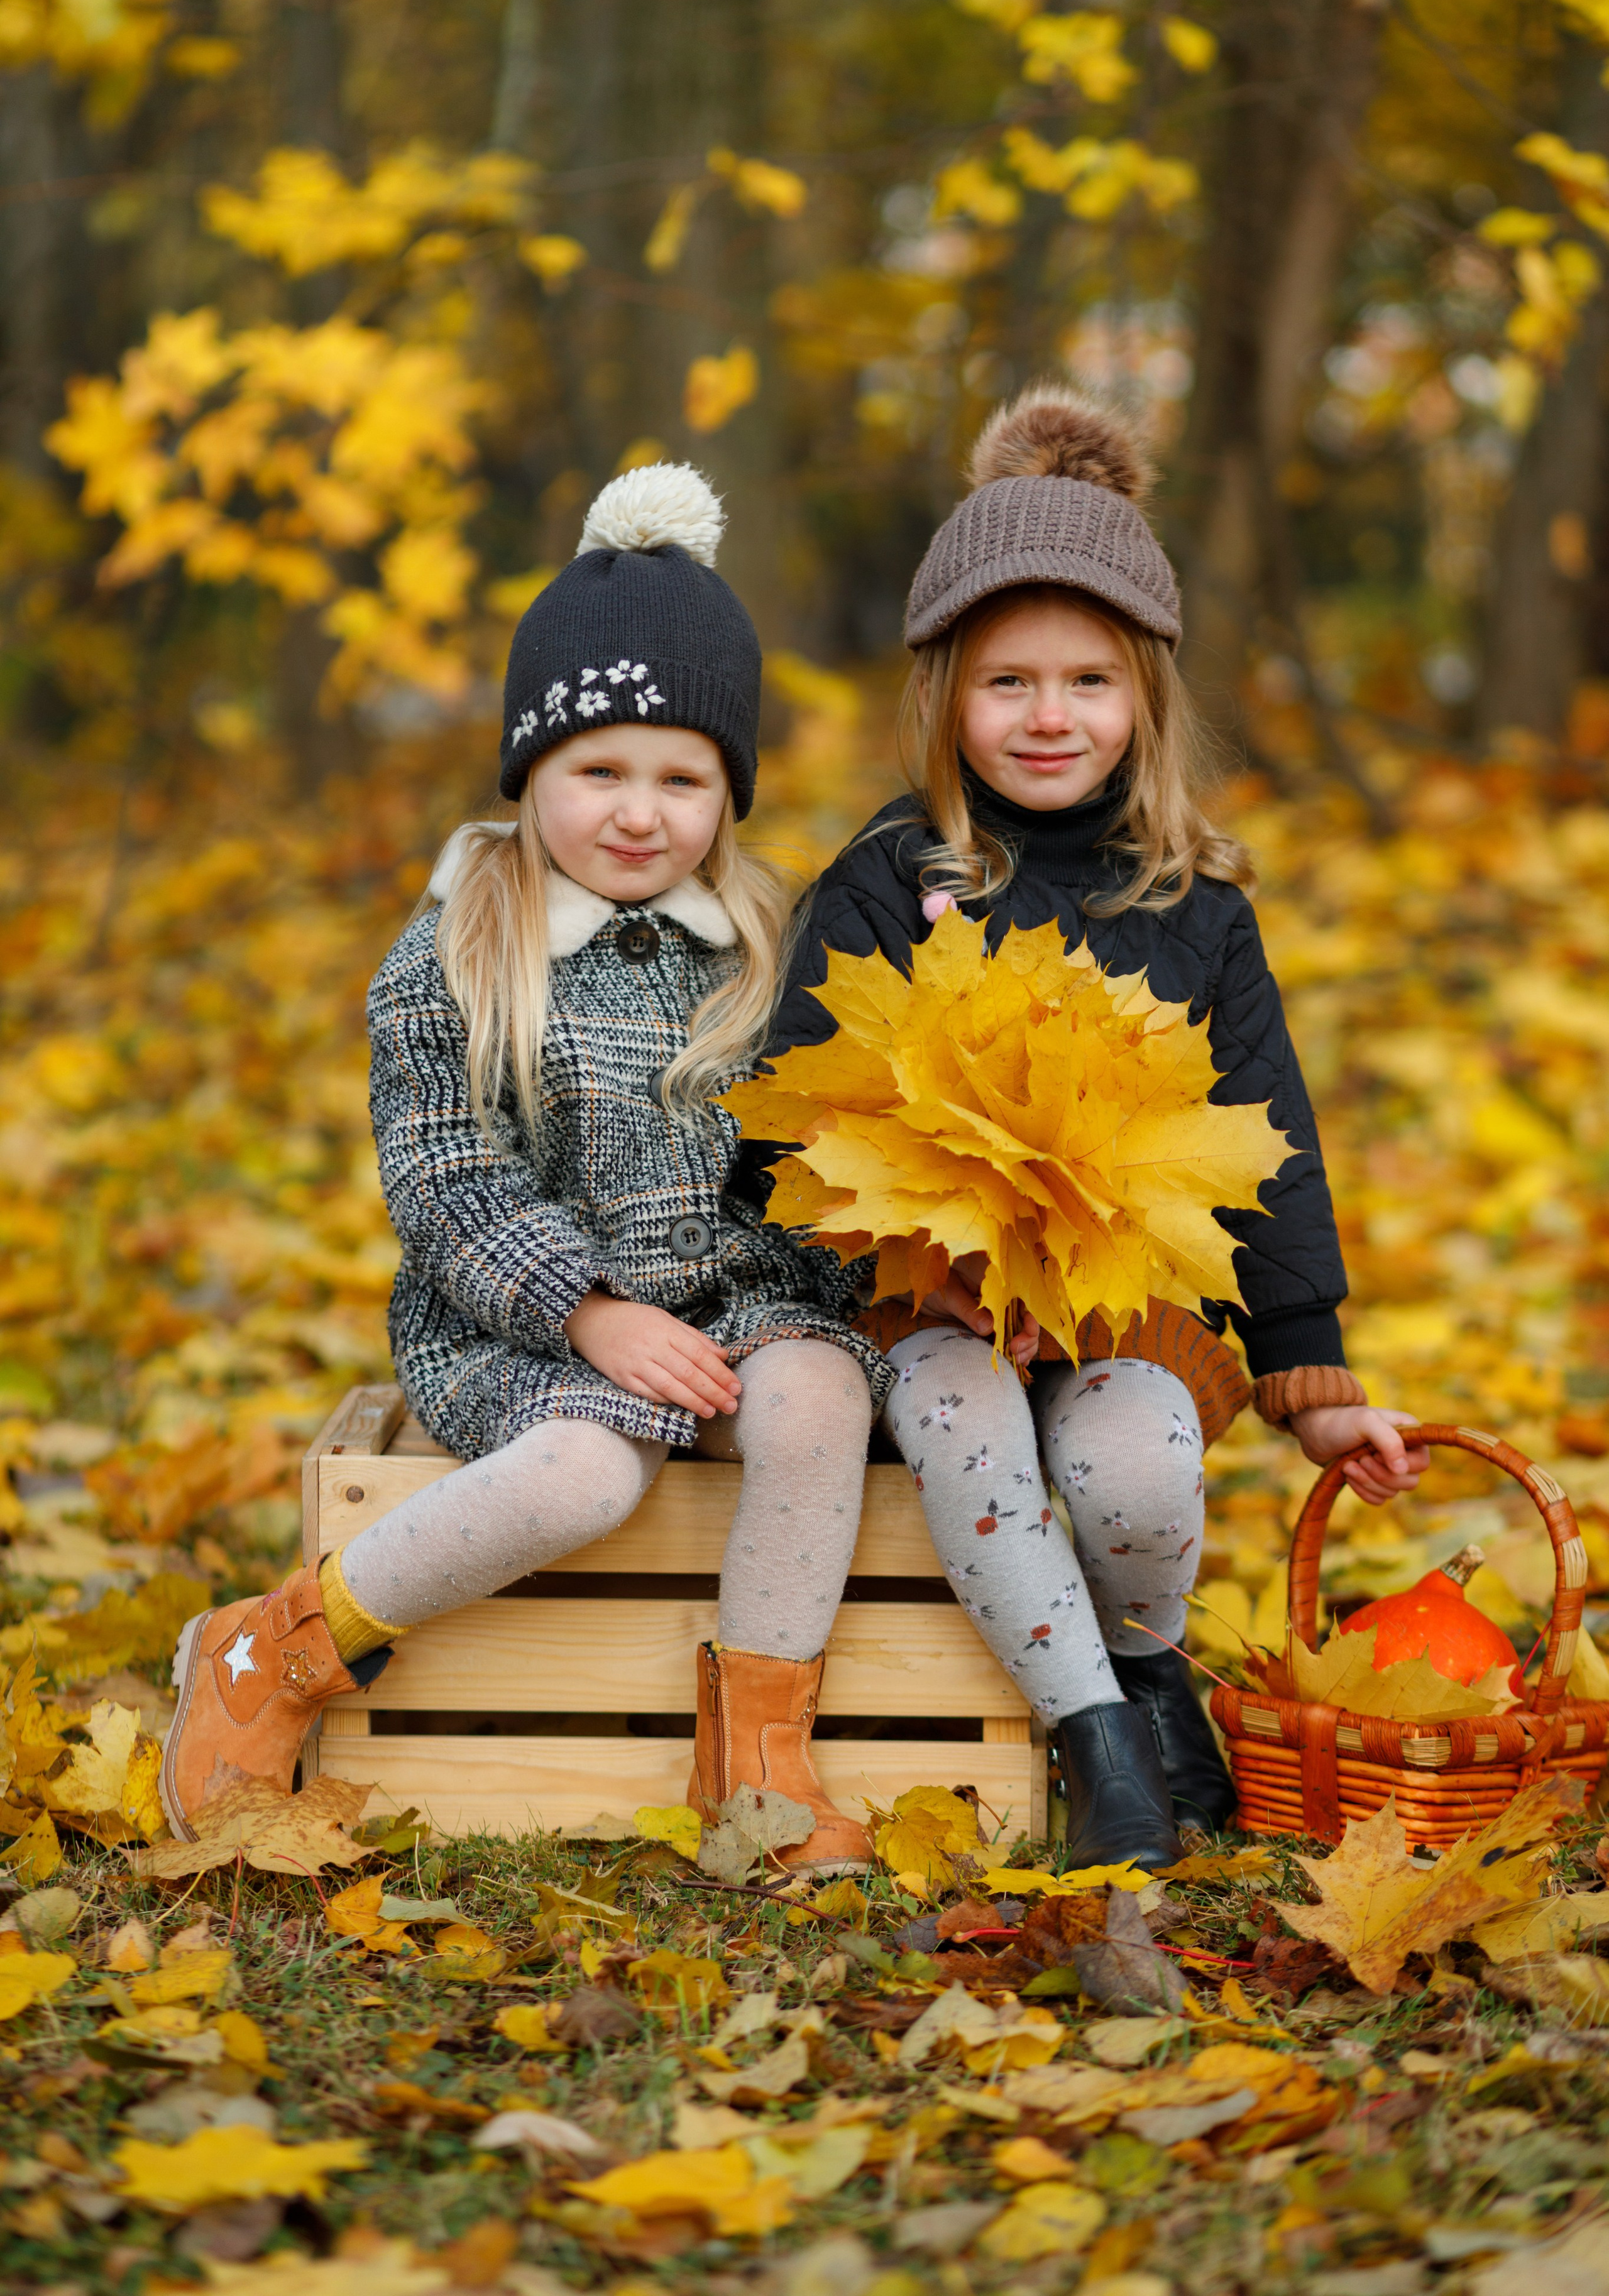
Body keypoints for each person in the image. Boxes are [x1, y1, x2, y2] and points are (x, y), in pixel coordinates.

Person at [160, 465, 892, 1876]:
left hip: (730, 1306)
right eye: (597, 771)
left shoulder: (764, 942)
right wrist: (586, 1312)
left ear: (728, 791)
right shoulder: (454, 955)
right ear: (528, 773)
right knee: (582, 1478)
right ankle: (282, 1647)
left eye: (682, 779)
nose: (639, 812)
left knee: (822, 1400)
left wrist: (844, 1287)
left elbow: (804, 1157)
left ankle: (757, 1765)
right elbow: (443, 1179)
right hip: (520, 1319)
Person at [767, 385, 1427, 1868]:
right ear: (943, 696)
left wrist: (1307, 1374)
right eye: (1006, 683)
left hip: (1127, 1310)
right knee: (967, 1427)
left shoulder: (1193, 909)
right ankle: (1098, 1752)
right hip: (924, 1309)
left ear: (1145, 698)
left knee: (1131, 1468)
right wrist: (921, 1274)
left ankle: (1145, 1667)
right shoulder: (886, 878)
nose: (1048, 717)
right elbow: (794, 1123)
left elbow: (1268, 1149)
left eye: (1086, 682)